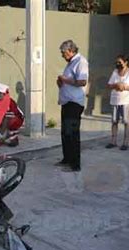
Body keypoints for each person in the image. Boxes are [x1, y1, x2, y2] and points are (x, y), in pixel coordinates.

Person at [55, 39, 89, 172]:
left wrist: (65, 80)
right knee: (65, 133)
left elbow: (82, 82)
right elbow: (69, 82)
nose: (62, 55)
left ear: (70, 51)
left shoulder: (81, 62)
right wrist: (61, 83)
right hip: (67, 102)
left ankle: (75, 165)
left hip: (74, 104)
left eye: (63, 52)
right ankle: (67, 159)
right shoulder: (71, 63)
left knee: (72, 134)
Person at [105, 54, 129, 151]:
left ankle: (125, 143)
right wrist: (116, 85)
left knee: (126, 122)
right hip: (115, 100)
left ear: (126, 62)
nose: (118, 64)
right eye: (116, 62)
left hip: (126, 101)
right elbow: (109, 85)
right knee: (114, 121)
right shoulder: (115, 72)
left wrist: (124, 87)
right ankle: (113, 141)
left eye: (120, 62)